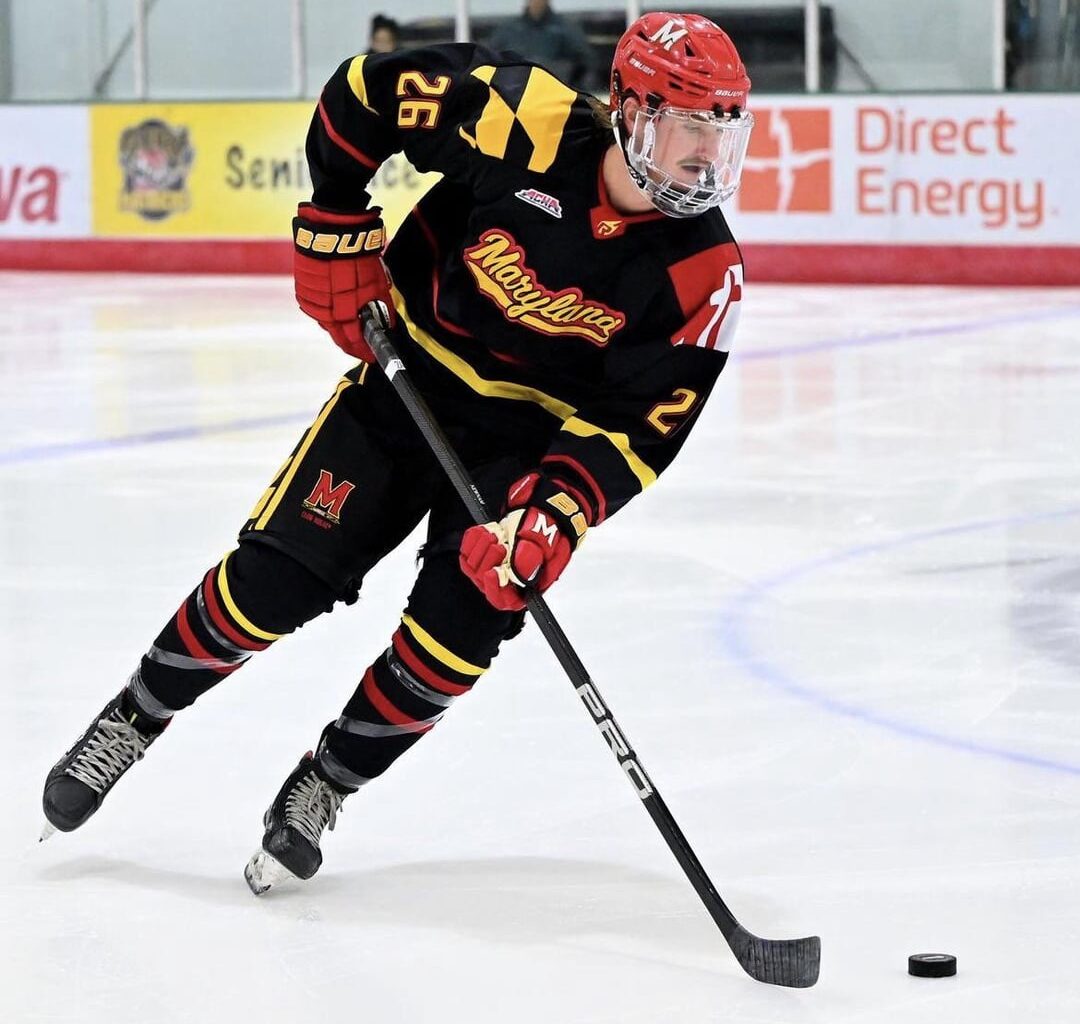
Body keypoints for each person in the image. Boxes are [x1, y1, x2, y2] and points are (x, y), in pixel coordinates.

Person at [41, 12, 754, 894]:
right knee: (275, 581)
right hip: (404, 382)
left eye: (723, 137)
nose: (704, 160)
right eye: (688, 129)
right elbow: (359, 97)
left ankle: (324, 783)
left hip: (522, 447)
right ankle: (134, 717)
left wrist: (556, 515)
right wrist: (335, 221)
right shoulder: (519, 117)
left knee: (459, 633)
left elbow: (642, 424)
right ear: (629, 108)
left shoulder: (704, 271)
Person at [488, 0, 596, 89]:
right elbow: (489, 62)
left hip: (557, 98)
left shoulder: (567, 30)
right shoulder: (507, 31)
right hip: (514, 98)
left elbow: (587, 65)